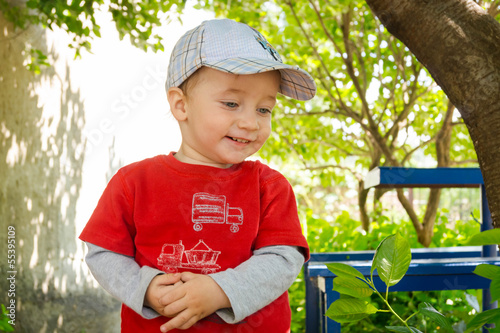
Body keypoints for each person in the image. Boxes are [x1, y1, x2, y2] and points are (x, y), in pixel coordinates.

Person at [79, 18, 316, 333]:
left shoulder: (269, 187)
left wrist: (220, 291)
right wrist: (145, 288)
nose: (250, 122)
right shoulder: (134, 182)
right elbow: (104, 252)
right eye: (231, 103)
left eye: (264, 109)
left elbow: (283, 259)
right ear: (180, 105)